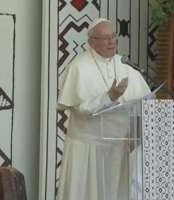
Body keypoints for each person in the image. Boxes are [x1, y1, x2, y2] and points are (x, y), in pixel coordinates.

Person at [56, 18, 151, 200]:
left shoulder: (125, 65)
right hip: (87, 148)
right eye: (105, 38)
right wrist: (110, 97)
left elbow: (143, 102)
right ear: (92, 42)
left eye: (114, 36)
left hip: (119, 147)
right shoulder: (79, 67)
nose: (112, 42)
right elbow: (81, 108)